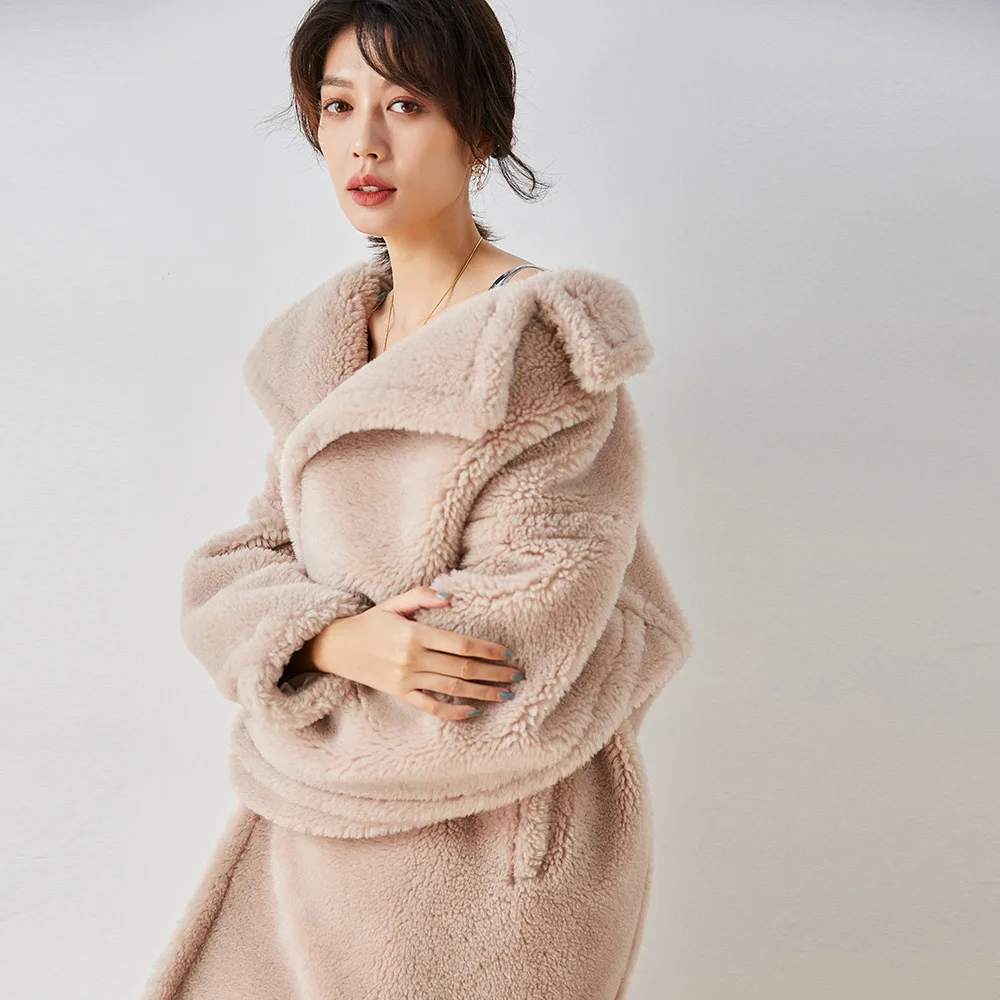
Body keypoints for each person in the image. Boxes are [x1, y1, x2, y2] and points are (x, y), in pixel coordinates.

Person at [141, 2, 693, 998]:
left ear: (478, 128)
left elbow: (522, 635)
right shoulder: (319, 347)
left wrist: (294, 715)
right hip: (313, 860)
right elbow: (243, 560)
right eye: (338, 105)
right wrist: (326, 641)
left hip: (490, 860)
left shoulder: (537, 348)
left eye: (406, 104)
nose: (365, 141)